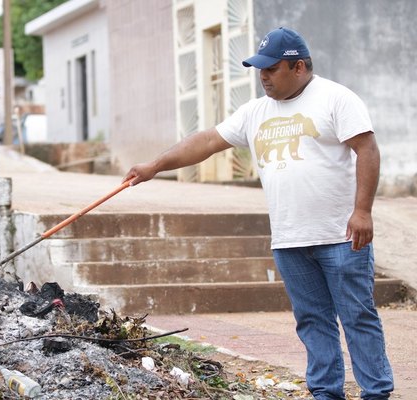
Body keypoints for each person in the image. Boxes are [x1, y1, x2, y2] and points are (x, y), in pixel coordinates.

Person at [123, 27, 394, 400]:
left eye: (271, 68)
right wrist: (155, 165)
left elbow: (367, 149)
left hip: (341, 237)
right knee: (313, 321)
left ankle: (376, 393)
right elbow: (206, 142)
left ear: (298, 67)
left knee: (358, 317)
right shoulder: (255, 111)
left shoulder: (336, 98)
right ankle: (326, 394)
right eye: (259, 69)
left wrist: (362, 211)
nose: (263, 76)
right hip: (289, 239)